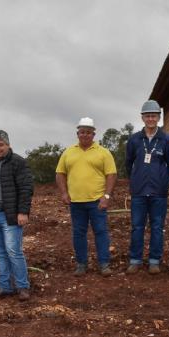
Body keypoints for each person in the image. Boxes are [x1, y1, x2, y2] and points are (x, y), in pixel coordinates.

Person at [55, 117, 117, 277]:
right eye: (82, 132)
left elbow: (111, 174)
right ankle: (81, 264)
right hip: (76, 202)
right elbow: (60, 173)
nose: (85, 135)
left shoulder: (103, 152)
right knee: (79, 233)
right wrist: (63, 193)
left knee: (101, 232)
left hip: (97, 201)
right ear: (77, 133)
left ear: (93, 134)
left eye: (88, 132)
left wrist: (107, 196)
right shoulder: (68, 152)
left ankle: (104, 264)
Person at [124, 100, 169, 275]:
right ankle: (135, 260)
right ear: (142, 118)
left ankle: (154, 261)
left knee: (157, 227)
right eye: (147, 116)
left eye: (154, 115)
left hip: (159, 192)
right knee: (137, 226)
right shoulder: (134, 140)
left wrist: (162, 180)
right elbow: (128, 163)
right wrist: (136, 180)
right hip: (138, 192)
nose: (150, 119)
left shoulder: (167, 140)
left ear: (158, 117)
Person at [0, 130, 34, 302]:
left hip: (10, 216)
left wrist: (23, 212)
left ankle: (22, 286)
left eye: (0, 145)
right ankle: (5, 286)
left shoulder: (17, 162)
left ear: (8, 144)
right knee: (0, 253)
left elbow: (26, 188)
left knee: (14, 251)